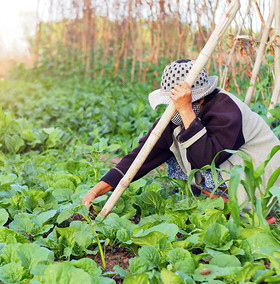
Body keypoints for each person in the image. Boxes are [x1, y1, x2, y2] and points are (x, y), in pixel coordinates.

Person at [82, 59, 280, 212]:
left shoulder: (226, 110)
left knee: (194, 146)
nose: (173, 109)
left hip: (260, 175)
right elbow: (142, 155)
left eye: (180, 102)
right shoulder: (174, 119)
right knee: (176, 141)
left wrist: (186, 110)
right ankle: (215, 200)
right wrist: (97, 190)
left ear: (200, 99)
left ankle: (242, 209)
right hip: (229, 166)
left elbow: (205, 160)